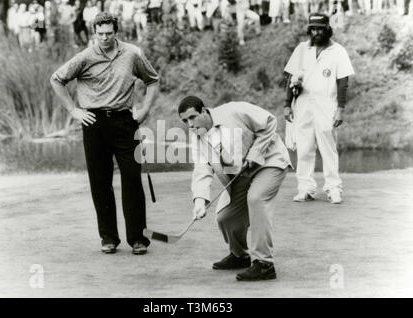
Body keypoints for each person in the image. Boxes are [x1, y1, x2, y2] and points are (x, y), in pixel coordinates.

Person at [50, 12, 159, 255]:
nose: (104, 38)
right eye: (100, 34)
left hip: (124, 121)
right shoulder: (85, 57)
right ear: (94, 33)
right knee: (100, 182)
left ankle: (138, 238)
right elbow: (56, 79)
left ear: (116, 31)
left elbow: (153, 80)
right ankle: (109, 237)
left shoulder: (132, 53)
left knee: (132, 178)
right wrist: (73, 110)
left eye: (109, 33)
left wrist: (144, 110)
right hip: (94, 123)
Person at [178, 96, 291, 281]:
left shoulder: (234, 110)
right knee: (225, 217)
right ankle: (240, 256)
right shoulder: (197, 136)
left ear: (204, 111)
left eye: (192, 117)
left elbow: (270, 122)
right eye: (185, 121)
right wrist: (199, 201)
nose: (190, 124)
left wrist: (256, 153)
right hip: (241, 174)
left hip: (269, 162)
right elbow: (201, 168)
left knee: (256, 198)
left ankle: (264, 265)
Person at [283, 13, 354, 204]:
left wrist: (340, 108)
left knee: (328, 148)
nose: (316, 32)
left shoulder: (338, 51)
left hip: (326, 105)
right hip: (303, 105)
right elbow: (291, 78)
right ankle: (306, 188)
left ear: (327, 29)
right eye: (313, 29)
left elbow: (343, 81)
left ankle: (333, 188)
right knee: (304, 148)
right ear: (309, 30)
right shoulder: (301, 49)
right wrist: (287, 105)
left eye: (320, 28)